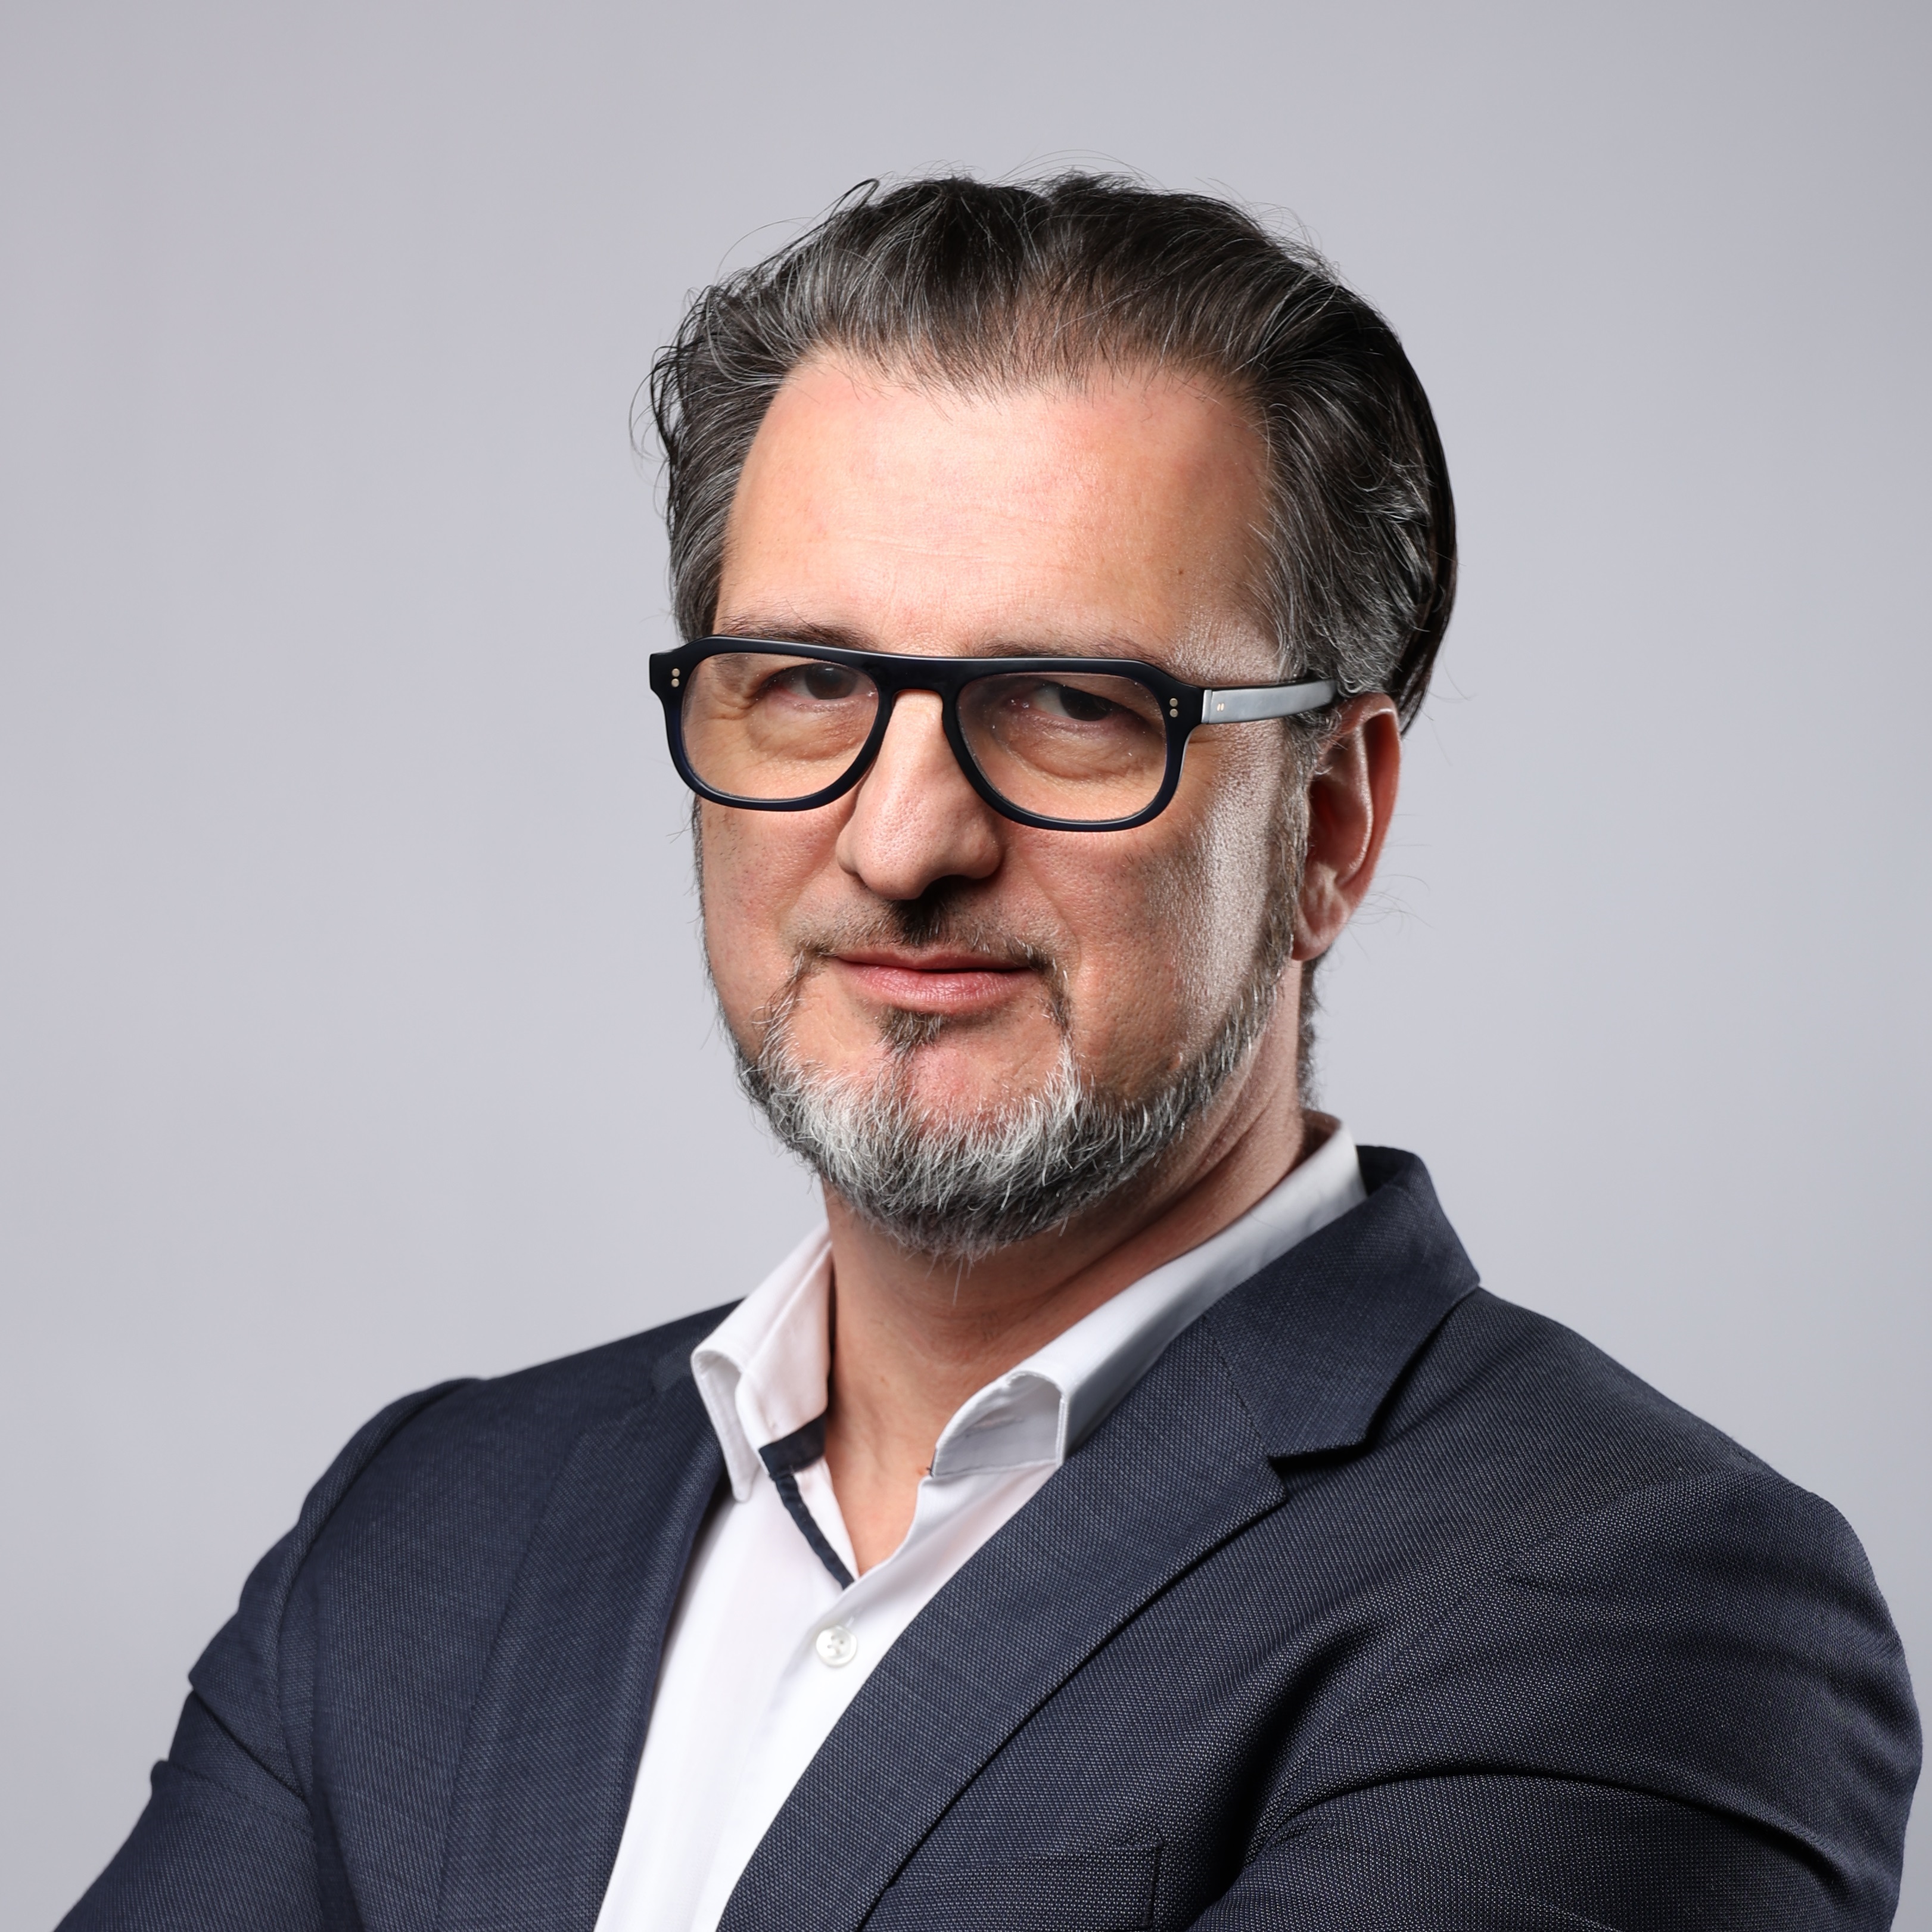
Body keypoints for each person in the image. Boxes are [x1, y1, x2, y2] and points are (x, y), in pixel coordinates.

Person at [63, 173, 1918, 1932]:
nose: (901, 840)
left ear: (1329, 822)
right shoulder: (431, 1520)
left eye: (1070, 705)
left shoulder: (1626, 1597)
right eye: (809, 684)